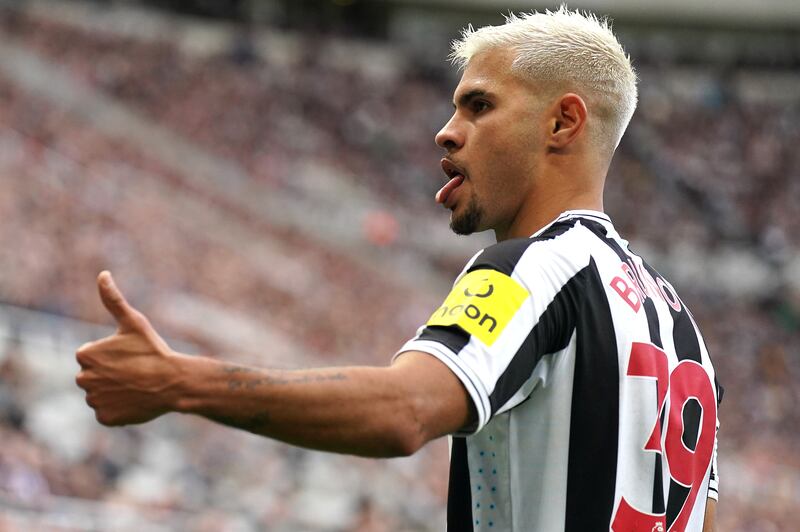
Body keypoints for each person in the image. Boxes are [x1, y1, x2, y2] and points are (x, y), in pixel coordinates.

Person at [76, 7, 721, 531]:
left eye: (479, 106)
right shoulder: (681, 328)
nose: (446, 131)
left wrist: (177, 382)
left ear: (562, 121)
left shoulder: (535, 267)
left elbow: (404, 409)